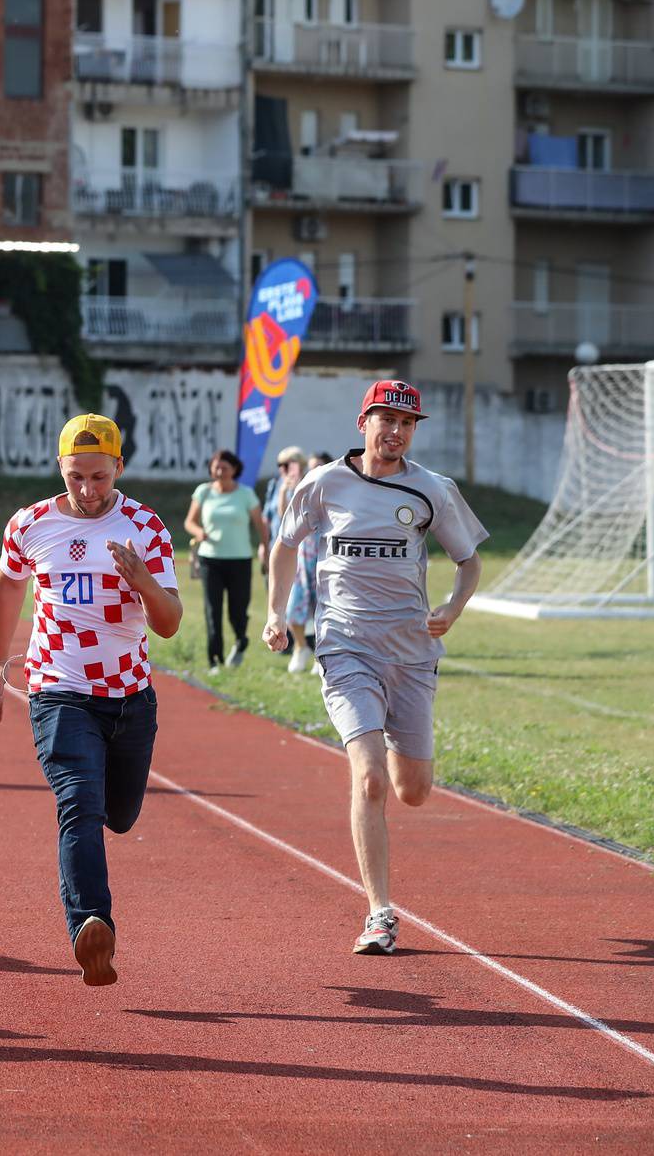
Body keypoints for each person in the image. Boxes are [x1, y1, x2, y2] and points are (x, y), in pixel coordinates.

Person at [264, 381, 486, 957]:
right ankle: (379, 914)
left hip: (412, 654)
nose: (395, 431)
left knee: (413, 790)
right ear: (363, 422)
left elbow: (469, 560)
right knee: (369, 779)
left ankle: (393, 737)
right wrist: (277, 613)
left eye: (407, 423)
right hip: (344, 648)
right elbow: (286, 545)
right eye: (385, 419)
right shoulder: (324, 483)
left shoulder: (432, 490)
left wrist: (453, 607)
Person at [0, 413, 181, 987]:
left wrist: (143, 580)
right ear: (60, 469)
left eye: (98, 477)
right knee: (78, 802)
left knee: (118, 816)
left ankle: (92, 910)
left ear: (118, 467)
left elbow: (167, 625)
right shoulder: (32, 523)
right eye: (76, 477)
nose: (88, 490)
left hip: (128, 696)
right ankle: (91, 925)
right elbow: (8, 582)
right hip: (57, 691)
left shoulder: (145, 526)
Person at [184, 449, 269, 671]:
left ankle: (241, 640)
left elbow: (261, 526)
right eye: (215, 467)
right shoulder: (203, 492)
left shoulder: (246, 494)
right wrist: (198, 532)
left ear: (234, 469)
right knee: (213, 610)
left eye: (224, 467)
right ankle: (215, 659)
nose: (219, 471)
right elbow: (189, 522)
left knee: (237, 610)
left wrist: (265, 549)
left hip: (240, 559)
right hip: (210, 560)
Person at [261, 445, 311, 671]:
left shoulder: (310, 483)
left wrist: (296, 487)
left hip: (308, 551)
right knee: (287, 602)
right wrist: (283, 491)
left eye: (289, 464)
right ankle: (298, 645)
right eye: (281, 465)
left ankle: (315, 650)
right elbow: (277, 517)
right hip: (280, 548)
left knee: (315, 601)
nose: (284, 469)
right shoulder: (275, 485)